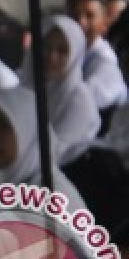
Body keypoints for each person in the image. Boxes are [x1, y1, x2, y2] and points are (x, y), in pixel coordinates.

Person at [24, 15, 100, 158]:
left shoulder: (79, 99)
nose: (51, 56)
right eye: (46, 47)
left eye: (63, 51)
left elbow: (56, 153)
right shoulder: (27, 84)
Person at [66, 0, 128, 114]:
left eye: (90, 16)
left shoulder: (104, 60)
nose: (81, 22)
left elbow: (79, 104)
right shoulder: (64, 53)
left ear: (104, 24)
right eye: (74, 15)